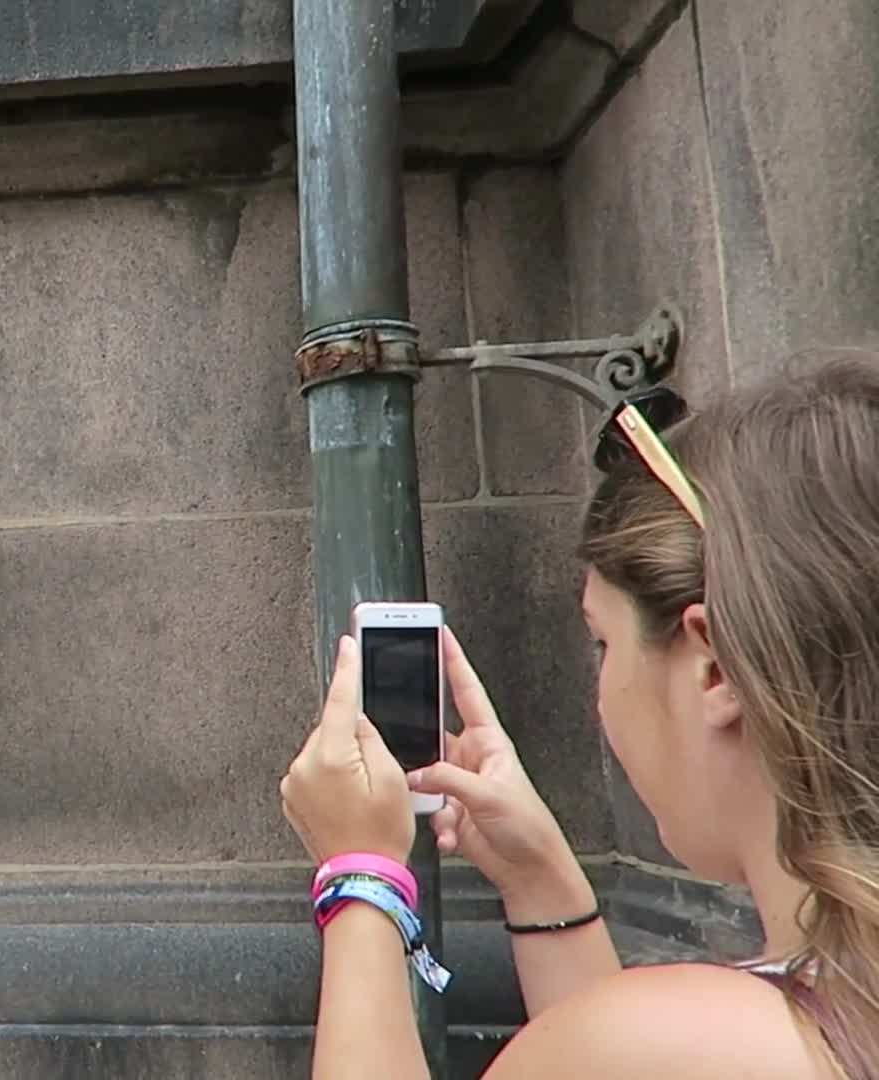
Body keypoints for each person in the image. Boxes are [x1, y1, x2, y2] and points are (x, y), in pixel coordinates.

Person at [280, 350, 879, 1079]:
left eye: (603, 643)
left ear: (714, 667)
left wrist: (362, 875)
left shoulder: (673, 1042)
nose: (601, 691)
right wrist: (541, 882)